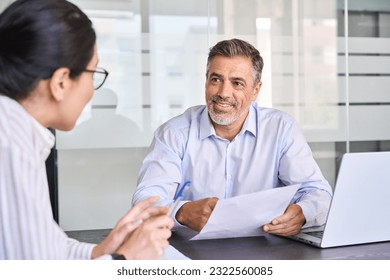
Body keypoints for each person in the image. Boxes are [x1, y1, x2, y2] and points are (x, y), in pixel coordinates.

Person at [0, 0, 173, 260]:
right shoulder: (9, 143)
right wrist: (125, 259)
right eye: (93, 74)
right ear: (60, 82)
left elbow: (48, 248)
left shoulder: (20, 132)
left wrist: (103, 250)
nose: (92, 92)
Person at [132, 38, 333, 237]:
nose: (223, 92)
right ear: (206, 81)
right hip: (191, 253)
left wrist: (302, 214)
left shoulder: (281, 129)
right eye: (216, 79)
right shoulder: (174, 133)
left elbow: (317, 192)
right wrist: (180, 212)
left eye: (237, 83)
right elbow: (145, 202)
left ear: (255, 90)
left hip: (265, 251)